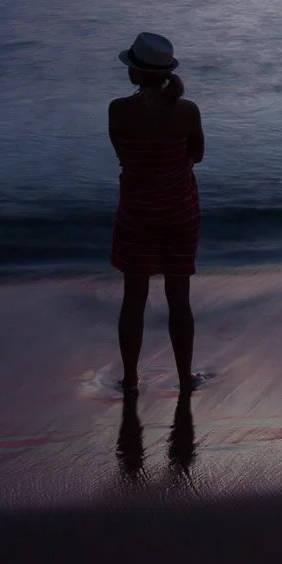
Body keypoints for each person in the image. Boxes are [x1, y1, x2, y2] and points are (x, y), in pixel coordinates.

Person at [109, 31, 204, 391]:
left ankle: (131, 378)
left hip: (137, 214)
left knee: (134, 296)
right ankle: (184, 378)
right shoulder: (187, 111)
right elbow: (197, 155)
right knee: (179, 297)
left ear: (135, 73)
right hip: (180, 213)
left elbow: (122, 153)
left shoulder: (118, 110)